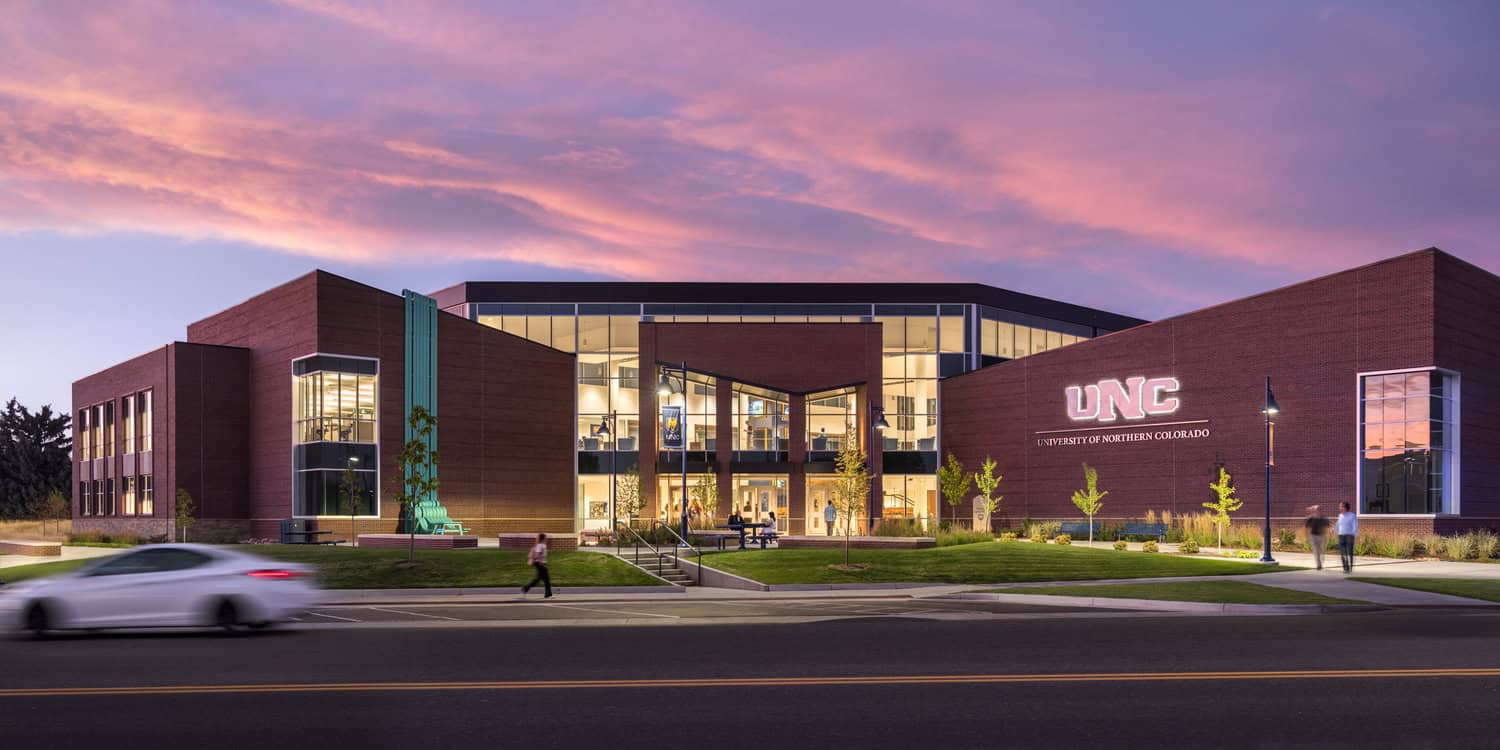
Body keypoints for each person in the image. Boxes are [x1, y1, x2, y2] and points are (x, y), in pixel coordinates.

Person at [522, 532, 553, 598]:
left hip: (541, 563)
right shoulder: (540, 545)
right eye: (545, 537)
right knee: (546, 579)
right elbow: (537, 554)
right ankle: (548, 594)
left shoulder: (543, 545)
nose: (546, 539)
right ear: (543, 538)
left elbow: (542, 555)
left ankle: (525, 588)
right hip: (539, 564)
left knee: (539, 579)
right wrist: (541, 562)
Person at [1303, 505, 1330, 570]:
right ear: (1314, 511)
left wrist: (1328, 535)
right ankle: (1319, 565)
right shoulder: (1310, 518)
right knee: (1316, 551)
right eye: (1316, 510)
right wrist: (1307, 537)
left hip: (1322, 536)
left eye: (1319, 509)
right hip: (1313, 536)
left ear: (1321, 510)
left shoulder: (1324, 518)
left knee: (1322, 551)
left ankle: (1321, 561)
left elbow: (1327, 527)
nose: (1318, 511)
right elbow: (1306, 528)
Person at [1336, 501, 1358, 574]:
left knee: (1349, 552)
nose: (1339, 508)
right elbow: (1338, 525)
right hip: (1341, 535)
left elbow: (1355, 526)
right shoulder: (1340, 516)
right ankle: (1345, 568)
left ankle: (1350, 567)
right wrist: (1335, 530)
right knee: (1343, 553)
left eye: (1341, 506)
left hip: (1349, 536)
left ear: (1345, 507)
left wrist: (1354, 534)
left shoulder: (1352, 515)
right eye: (1340, 506)